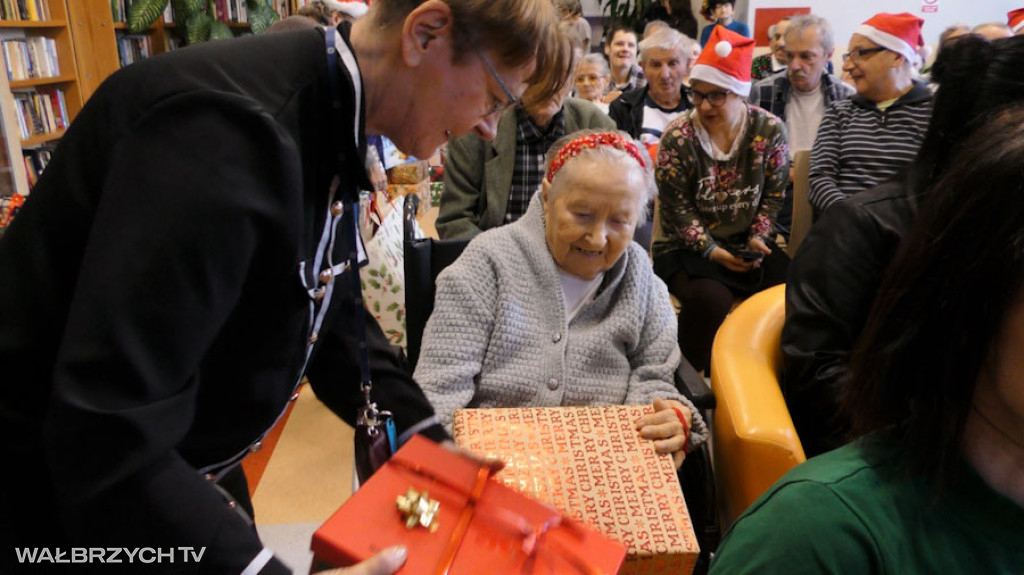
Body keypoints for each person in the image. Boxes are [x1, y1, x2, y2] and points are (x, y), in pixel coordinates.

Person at [0, 1, 566, 574]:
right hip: (55, 502)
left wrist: (427, 447)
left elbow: (333, 303)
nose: (490, 127)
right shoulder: (223, 134)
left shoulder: (326, 110)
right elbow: (109, 428)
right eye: (494, 99)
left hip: (176, 467)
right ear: (426, 33)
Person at [709, 105, 1024, 575]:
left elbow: (769, 197)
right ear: (974, 299)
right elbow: (816, 369)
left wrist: (759, 236)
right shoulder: (817, 543)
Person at [782, 34, 1024, 457]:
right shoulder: (865, 226)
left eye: (862, 53)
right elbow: (816, 376)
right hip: (898, 461)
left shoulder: (1000, 231)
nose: (851, 63)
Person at [417, 130, 709, 468]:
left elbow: (654, 372)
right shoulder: (487, 264)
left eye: (619, 221)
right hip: (495, 463)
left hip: (606, 464)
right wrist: (461, 467)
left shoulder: (639, 276)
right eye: (582, 215)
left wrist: (662, 418)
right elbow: (438, 389)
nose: (598, 238)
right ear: (547, 197)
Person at [652, 26, 789, 373]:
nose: (704, 105)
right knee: (711, 299)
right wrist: (713, 251)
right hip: (687, 249)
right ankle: (686, 379)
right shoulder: (678, 138)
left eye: (717, 96)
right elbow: (677, 211)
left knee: (794, 288)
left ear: (740, 93)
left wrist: (759, 237)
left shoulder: (768, 130)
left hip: (746, 244)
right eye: (696, 95)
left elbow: (773, 196)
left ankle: (766, 374)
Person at [436, 38, 615, 240]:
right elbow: (455, 221)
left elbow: (616, 216)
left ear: (572, 78)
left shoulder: (597, 128)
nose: (548, 86)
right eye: (537, 74)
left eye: (559, 74)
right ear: (515, 77)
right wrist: (498, 263)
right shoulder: (477, 130)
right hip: (496, 260)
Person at [807, 12, 932, 218]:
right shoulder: (840, 112)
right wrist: (853, 219)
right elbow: (820, 180)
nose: (846, 66)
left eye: (860, 53)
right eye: (848, 56)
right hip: (843, 226)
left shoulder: (933, 114)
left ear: (897, 56)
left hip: (905, 232)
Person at [748, 14, 854, 238]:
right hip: (777, 187)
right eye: (789, 55)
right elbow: (751, 157)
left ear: (828, 55)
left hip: (826, 187)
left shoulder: (846, 98)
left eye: (806, 57)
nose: (795, 66)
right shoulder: (762, 92)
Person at [607, 25, 694, 248]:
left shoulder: (701, 107)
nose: (665, 74)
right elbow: (617, 165)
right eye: (656, 64)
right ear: (643, 68)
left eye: (673, 63)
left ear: (686, 66)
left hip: (694, 204)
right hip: (642, 205)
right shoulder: (623, 107)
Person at [602, 24, 646, 102]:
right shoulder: (596, 77)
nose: (625, 49)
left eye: (631, 45)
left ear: (637, 52)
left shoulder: (646, 78)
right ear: (607, 48)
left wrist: (623, 100)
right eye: (619, 44)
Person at [750, 16, 790, 81]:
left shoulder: (802, 66)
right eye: (777, 37)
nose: (780, 43)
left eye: (787, 37)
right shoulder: (758, 63)